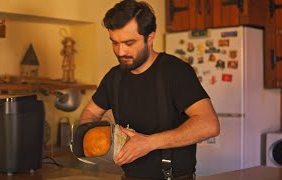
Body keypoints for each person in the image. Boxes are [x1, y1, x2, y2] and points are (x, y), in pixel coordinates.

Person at [79, 0, 220, 179]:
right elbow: (90, 113)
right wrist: (104, 139)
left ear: (150, 38)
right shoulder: (113, 77)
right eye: (115, 42)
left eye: (129, 43)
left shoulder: (176, 72)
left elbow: (209, 124)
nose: (120, 51)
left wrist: (149, 143)